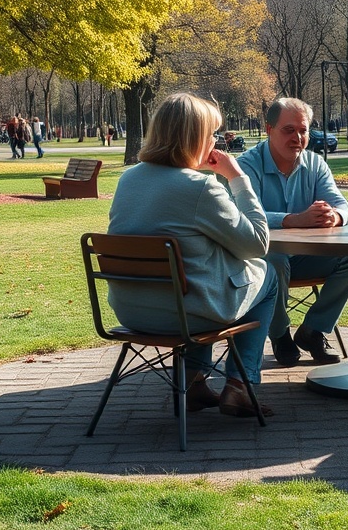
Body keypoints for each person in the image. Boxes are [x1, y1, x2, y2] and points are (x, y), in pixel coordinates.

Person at [107, 92, 278, 417]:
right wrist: (237, 178)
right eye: (211, 133)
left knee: (207, 280)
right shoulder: (201, 187)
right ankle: (240, 387)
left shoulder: (128, 179)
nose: (215, 140)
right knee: (266, 276)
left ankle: (194, 384)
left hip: (130, 312)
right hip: (183, 315)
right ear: (194, 137)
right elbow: (257, 244)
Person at [237, 97, 348, 366]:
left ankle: (313, 330)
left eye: (303, 130)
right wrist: (294, 219)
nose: (297, 137)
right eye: (289, 130)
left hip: (306, 257)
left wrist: (335, 216)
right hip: (260, 261)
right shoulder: (247, 165)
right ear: (269, 129)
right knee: (275, 259)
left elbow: (343, 204)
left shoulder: (315, 164)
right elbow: (244, 215)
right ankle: (280, 333)